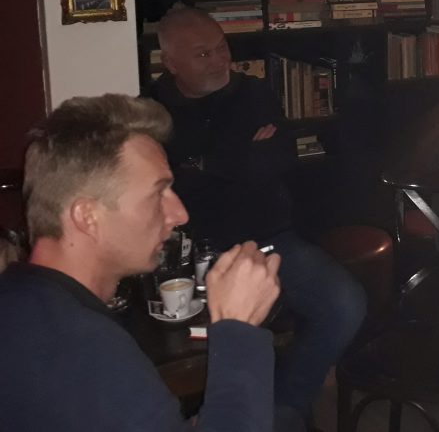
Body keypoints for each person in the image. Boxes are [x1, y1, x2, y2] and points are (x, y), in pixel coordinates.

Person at [0, 94, 282, 431]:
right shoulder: (83, 348)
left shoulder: (19, 300)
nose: (180, 214)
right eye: (158, 194)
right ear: (88, 216)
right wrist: (239, 327)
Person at [148, 6, 367, 426]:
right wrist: (237, 158)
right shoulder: (153, 111)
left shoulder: (253, 91)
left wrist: (203, 163)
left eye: (221, 47)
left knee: (345, 304)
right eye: (202, 54)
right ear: (171, 63)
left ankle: (283, 408)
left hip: (269, 237)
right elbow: (177, 180)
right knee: (187, 340)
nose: (219, 60)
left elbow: (276, 160)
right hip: (192, 247)